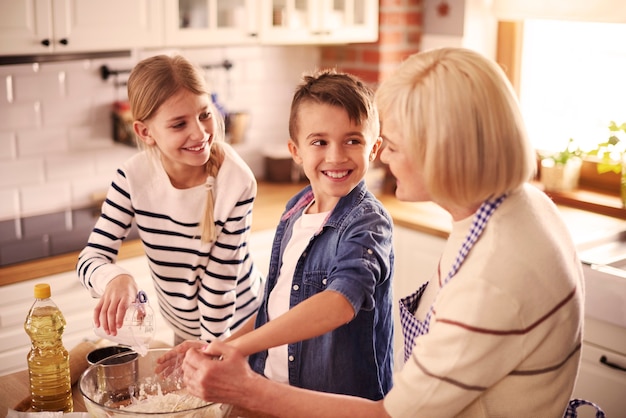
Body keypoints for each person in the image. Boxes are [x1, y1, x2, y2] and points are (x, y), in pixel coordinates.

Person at [173, 48, 588, 417]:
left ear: (440, 151)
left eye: (391, 144)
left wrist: (247, 389)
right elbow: (276, 303)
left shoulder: (494, 277)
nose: (383, 157)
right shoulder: (518, 206)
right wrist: (225, 348)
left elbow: (390, 415)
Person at [158, 69, 395, 400]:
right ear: (296, 151)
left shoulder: (368, 223)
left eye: (353, 140)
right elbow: (274, 306)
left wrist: (238, 347)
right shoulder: (296, 209)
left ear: (373, 149)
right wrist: (221, 347)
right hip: (274, 395)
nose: (336, 155)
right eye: (319, 142)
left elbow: (338, 304)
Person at [77, 54, 264, 345]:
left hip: (242, 329)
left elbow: (219, 286)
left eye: (205, 114)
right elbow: (90, 258)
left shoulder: (236, 181)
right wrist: (116, 278)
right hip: (186, 329)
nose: (200, 133)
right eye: (179, 124)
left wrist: (213, 351)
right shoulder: (133, 178)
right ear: (145, 132)